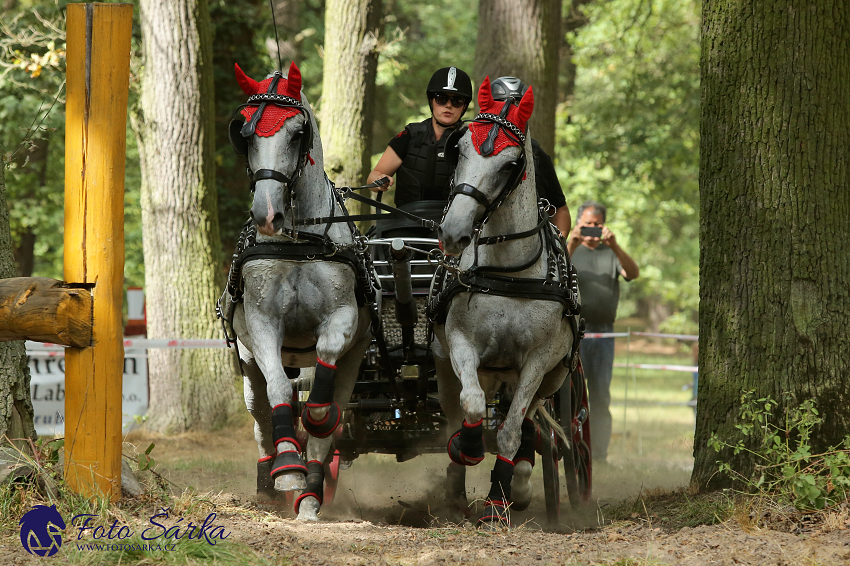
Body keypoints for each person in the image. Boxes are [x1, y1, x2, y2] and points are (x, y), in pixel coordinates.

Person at [567, 200, 640, 463]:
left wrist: (615, 245)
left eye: (597, 224)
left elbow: (633, 273)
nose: (593, 229)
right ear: (578, 224)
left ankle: (598, 455)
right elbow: (555, 273)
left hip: (604, 335)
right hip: (573, 332)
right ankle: (570, 450)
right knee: (570, 394)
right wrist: (572, 242)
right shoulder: (570, 249)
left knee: (600, 396)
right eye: (587, 224)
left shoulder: (611, 253)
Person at [367, 66, 473, 207]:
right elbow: (373, 178)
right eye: (441, 98)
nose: (448, 105)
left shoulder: (472, 142)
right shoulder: (409, 136)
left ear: (464, 105)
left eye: (457, 100)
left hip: (453, 223)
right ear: (431, 101)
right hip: (407, 221)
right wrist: (380, 181)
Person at [489, 76, 571, 235]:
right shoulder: (477, 154)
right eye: (502, 105)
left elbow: (560, 209)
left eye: (516, 105)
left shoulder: (538, 155)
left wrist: (559, 249)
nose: (510, 111)